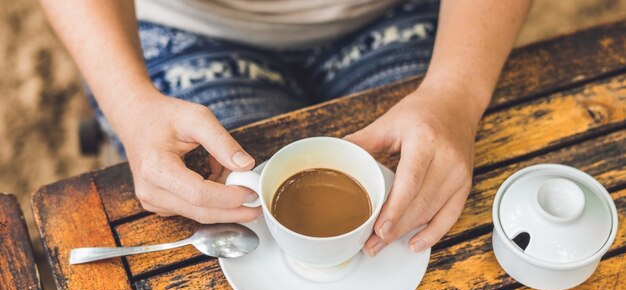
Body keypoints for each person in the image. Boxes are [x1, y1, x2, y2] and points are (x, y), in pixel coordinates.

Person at [39, 0, 532, 256]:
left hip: (395, 13)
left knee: (434, 208)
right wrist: (131, 107)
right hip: (184, 24)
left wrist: (456, 94)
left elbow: (454, 100)